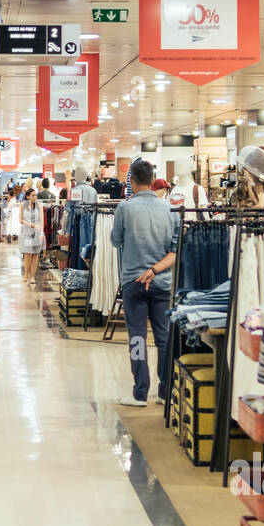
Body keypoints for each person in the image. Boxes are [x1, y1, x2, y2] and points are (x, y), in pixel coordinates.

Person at [111, 158, 177, 407]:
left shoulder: (124, 209)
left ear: (132, 181)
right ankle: (164, 390)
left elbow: (115, 240)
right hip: (161, 282)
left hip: (133, 281)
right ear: (152, 180)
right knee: (164, 337)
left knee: (137, 337)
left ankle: (140, 392)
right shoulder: (170, 209)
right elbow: (174, 251)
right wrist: (155, 269)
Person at [20, 188, 43, 284]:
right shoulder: (22, 205)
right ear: (27, 196)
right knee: (27, 254)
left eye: (36, 195)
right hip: (26, 232)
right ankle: (26, 274)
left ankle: (33, 276)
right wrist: (32, 225)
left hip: (37, 232)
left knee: (35, 254)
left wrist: (41, 232)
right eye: (33, 195)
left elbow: (42, 221)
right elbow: (20, 220)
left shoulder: (40, 206)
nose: (35, 197)